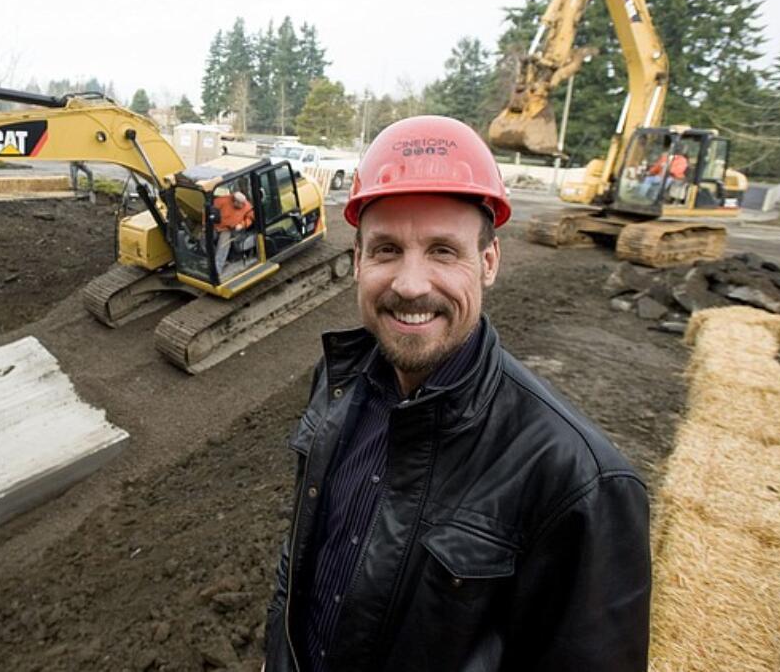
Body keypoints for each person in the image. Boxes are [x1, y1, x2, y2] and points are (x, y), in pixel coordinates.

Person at [263, 116, 651, 672]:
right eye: (387, 250)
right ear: (357, 262)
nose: (411, 283)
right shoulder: (337, 382)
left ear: (488, 263)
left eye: (443, 251)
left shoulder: (578, 481)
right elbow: (299, 553)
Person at [212, 189, 254, 276]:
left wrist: (242, 225)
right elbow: (208, 211)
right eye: (239, 203)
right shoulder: (222, 201)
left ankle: (216, 269)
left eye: (243, 203)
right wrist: (205, 225)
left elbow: (250, 218)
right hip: (215, 226)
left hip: (229, 230)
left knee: (223, 245)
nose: (242, 205)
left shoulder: (246, 206)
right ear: (234, 201)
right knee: (204, 239)